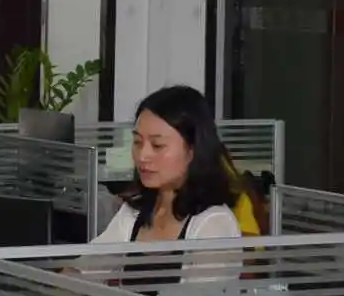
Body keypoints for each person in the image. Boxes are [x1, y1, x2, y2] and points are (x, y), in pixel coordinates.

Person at [94, 85, 245, 243]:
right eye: (138, 142)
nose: (142, 156)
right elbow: (93, 257)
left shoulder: (214, 222)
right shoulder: (134, 212)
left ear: (192, 150)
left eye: (157, 145)